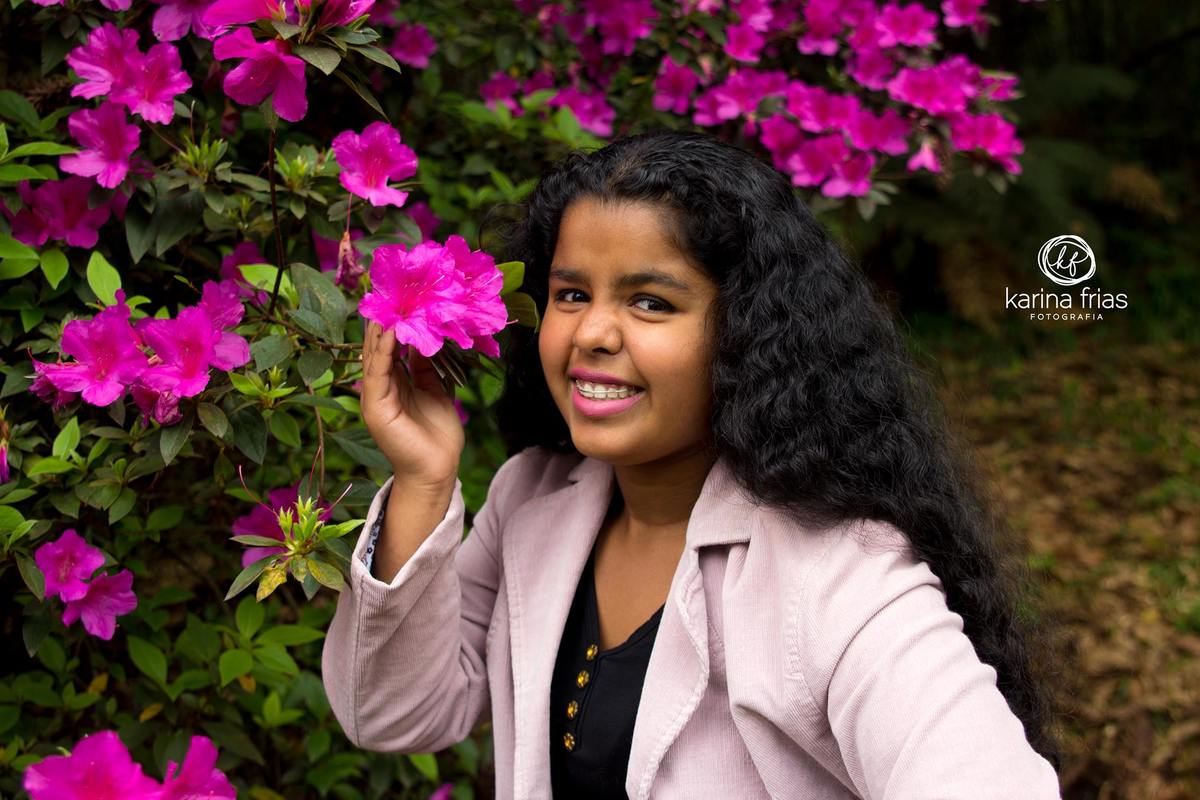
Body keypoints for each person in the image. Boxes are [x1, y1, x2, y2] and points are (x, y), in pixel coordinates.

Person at [321, 129, 1063, 799]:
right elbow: (392, 715)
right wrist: (423, 481)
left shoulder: (839, 572)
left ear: (747, 332)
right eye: (571, 293)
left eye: (650, 303)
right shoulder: (532, 498)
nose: (593, 334)